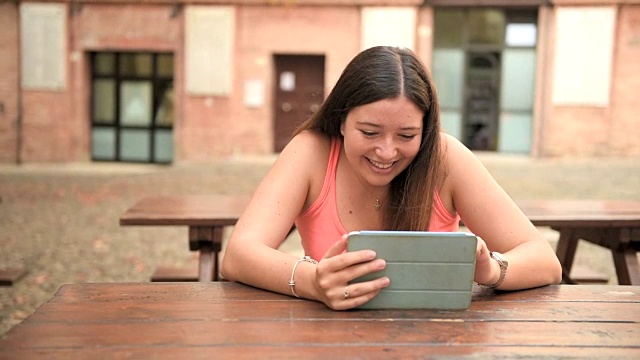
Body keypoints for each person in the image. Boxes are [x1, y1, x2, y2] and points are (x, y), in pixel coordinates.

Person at [220, 46, 562, 310]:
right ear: (341, 121)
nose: (386, 152)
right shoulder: (311, 152)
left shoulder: (445, 158)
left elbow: (544, 261)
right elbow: (238, 255)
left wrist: (491, 272)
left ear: (425, 131)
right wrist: (313, 282)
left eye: (406, 136)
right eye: (369, 132)